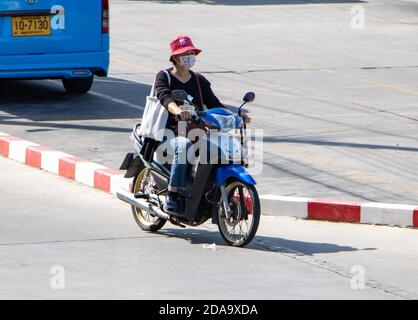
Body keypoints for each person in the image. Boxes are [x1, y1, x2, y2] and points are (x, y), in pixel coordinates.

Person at [154, 35, 251, 213]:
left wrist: (237, 116)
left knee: (223, 147)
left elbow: (215, 105)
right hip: (171, 131)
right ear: (175, 57)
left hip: (198, 129)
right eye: (184, 53)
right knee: (183, 146)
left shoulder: (199, 80)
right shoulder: (164, 76)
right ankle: (173, 193)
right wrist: (177, 111)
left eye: (191, 52)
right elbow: (164, 96)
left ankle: (208, 189)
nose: (189, 56)